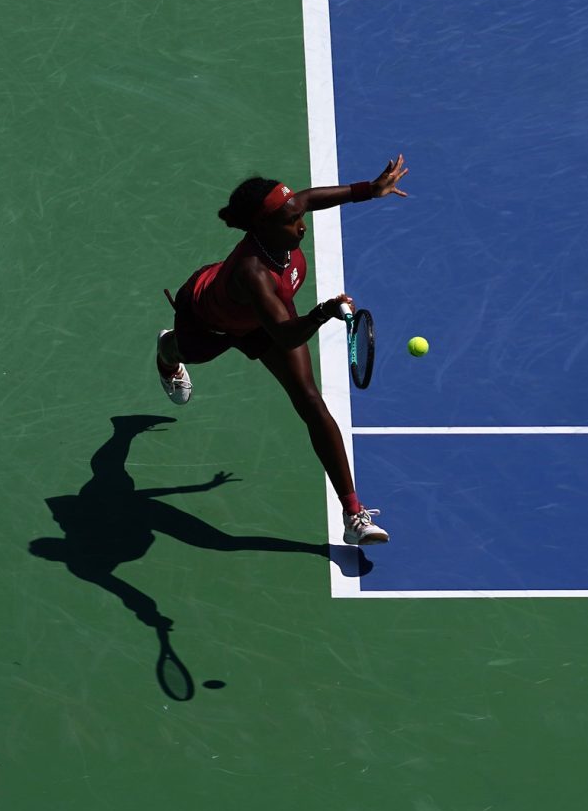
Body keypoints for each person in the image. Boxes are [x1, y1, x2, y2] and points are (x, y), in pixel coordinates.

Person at [155, 156, 409, 545]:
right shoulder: (252, 271)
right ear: (263, 227)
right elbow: (288, 337)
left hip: (269, 317)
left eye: (298, 215)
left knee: (310, 400)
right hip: (210, 319)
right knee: (186, 351)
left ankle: (353, 513)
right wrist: (324, 312)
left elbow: (310, 198)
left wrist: (369, 191)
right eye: (291, 222)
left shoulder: (284, 224)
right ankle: (167, 350)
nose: (301, 224)